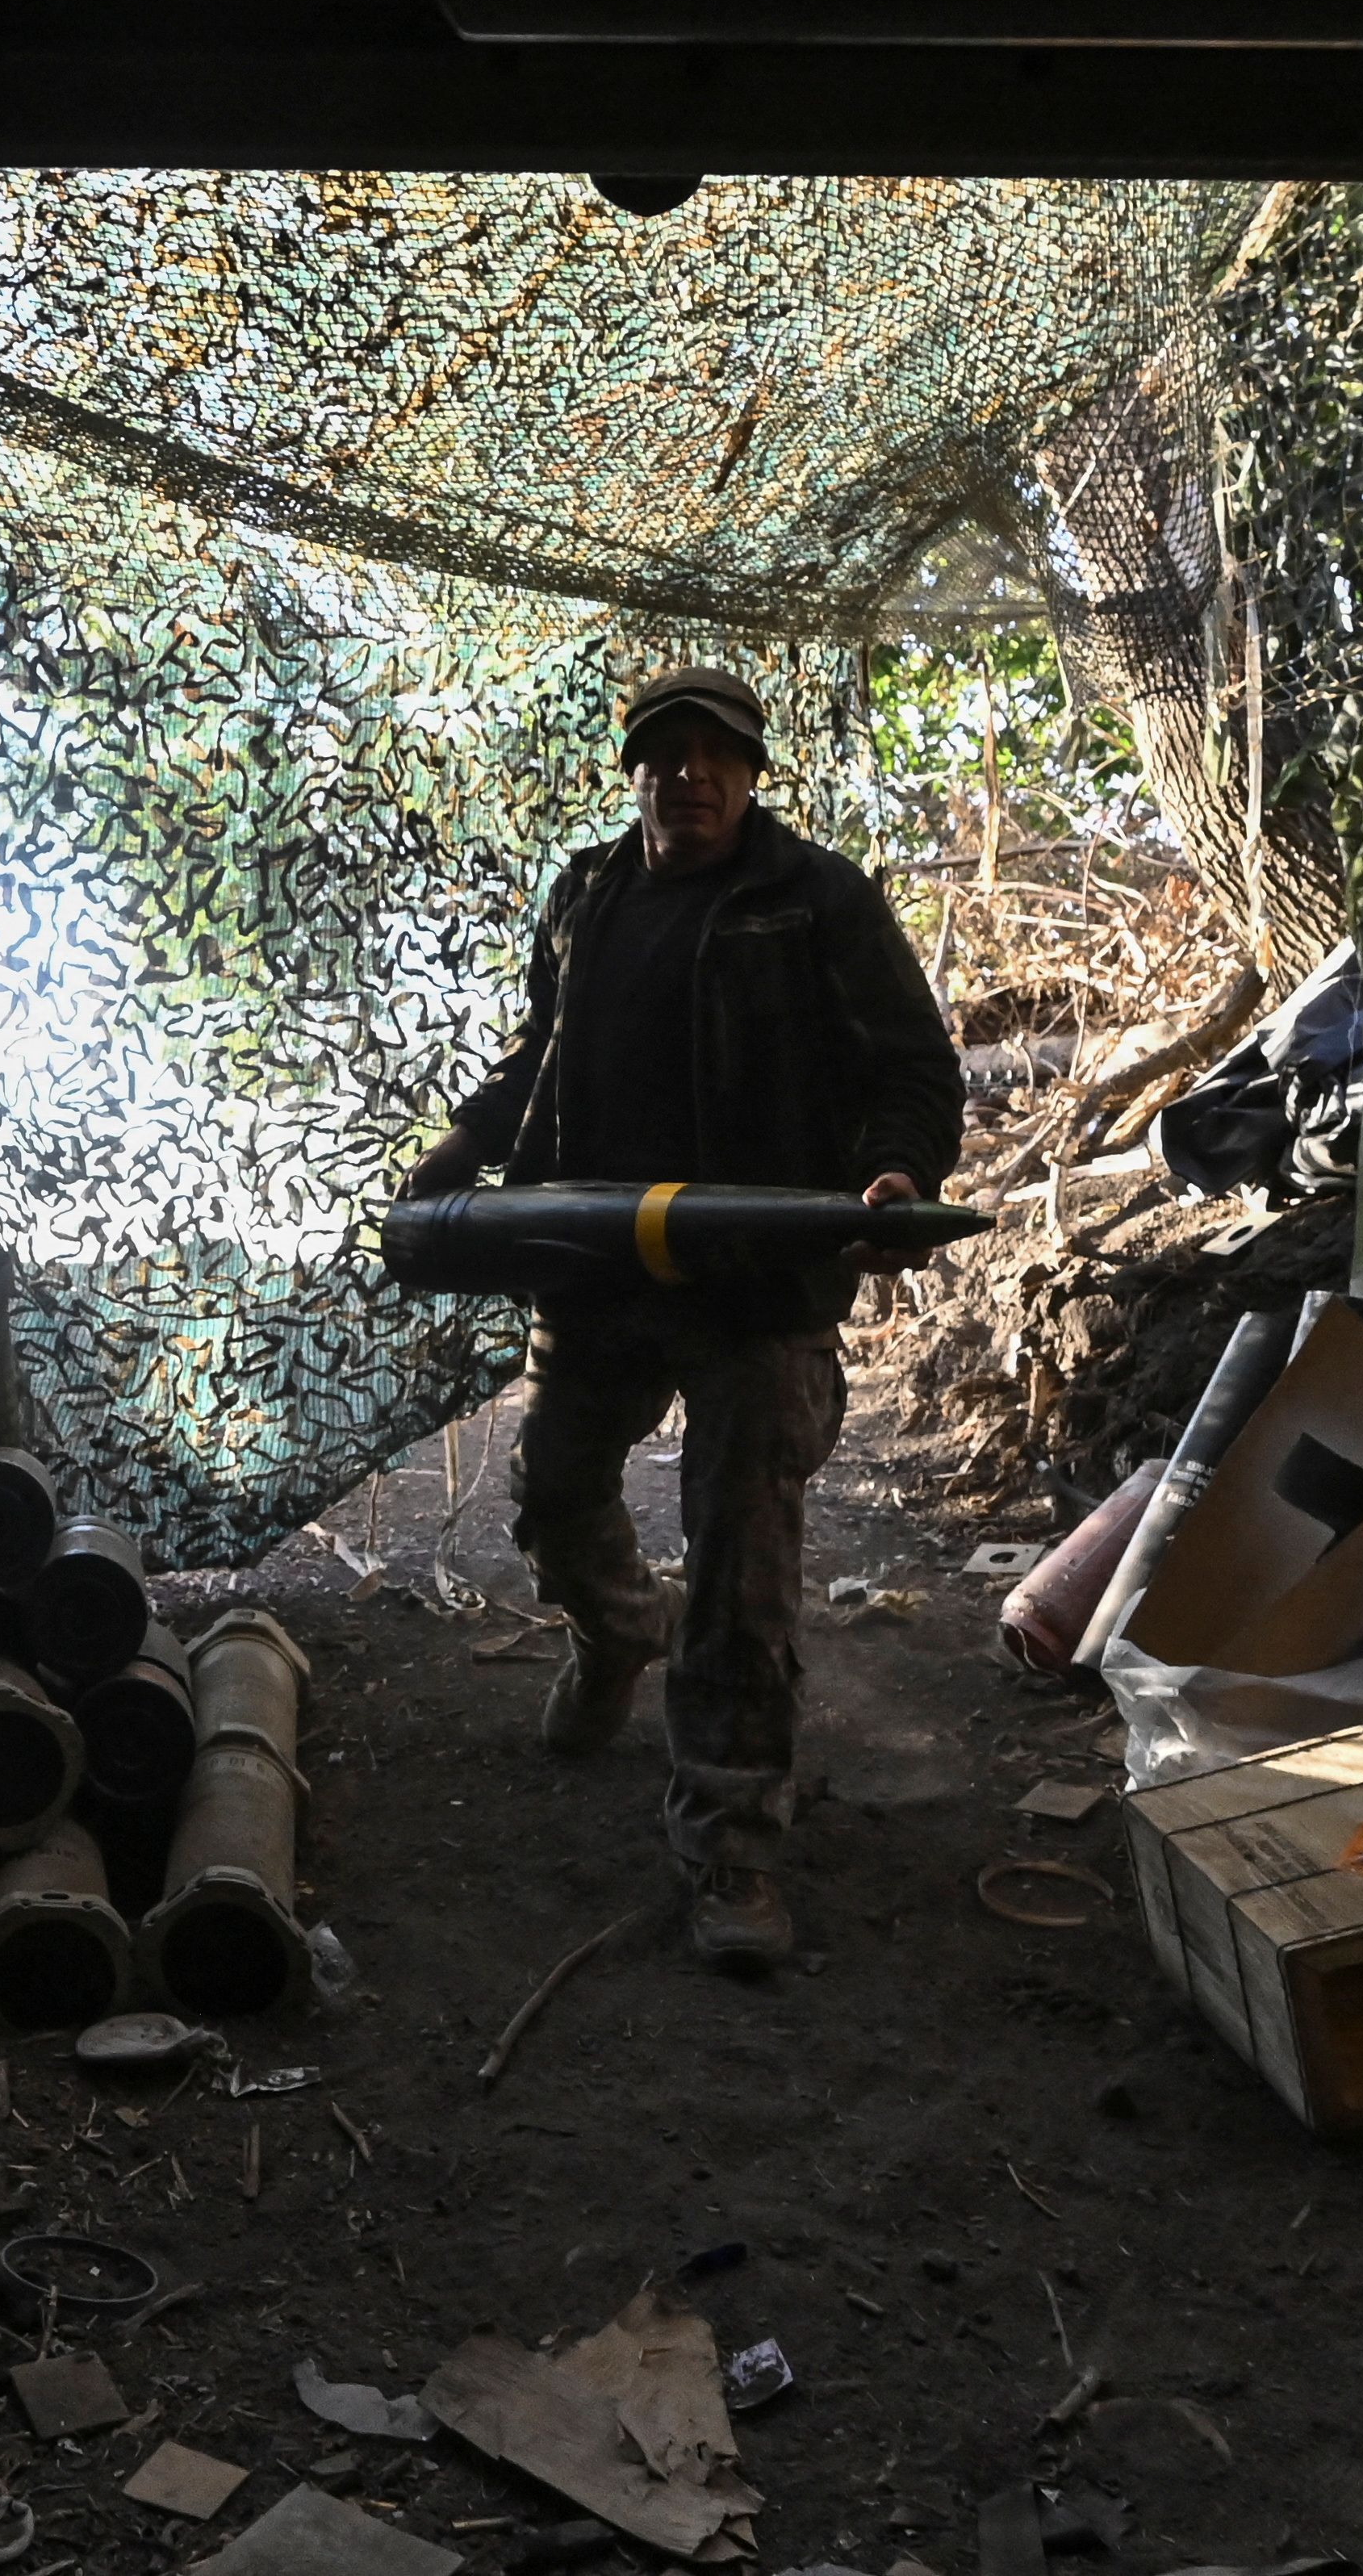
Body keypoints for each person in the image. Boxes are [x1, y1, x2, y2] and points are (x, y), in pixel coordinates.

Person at [405, 665, 962, 1967]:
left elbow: (911, 1065)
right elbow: (540, 1048)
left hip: (753, 1286)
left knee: (740, 1557)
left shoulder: (817, 898)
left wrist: (897, 1173)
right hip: (599, 1265)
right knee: (552, 1494)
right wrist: (464, 1148)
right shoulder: (587, 896)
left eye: (716, 757)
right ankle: (615, 1632)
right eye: (666, 756)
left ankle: (731, 1843)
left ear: (753, 774)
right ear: (633, 771)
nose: (690, 777)